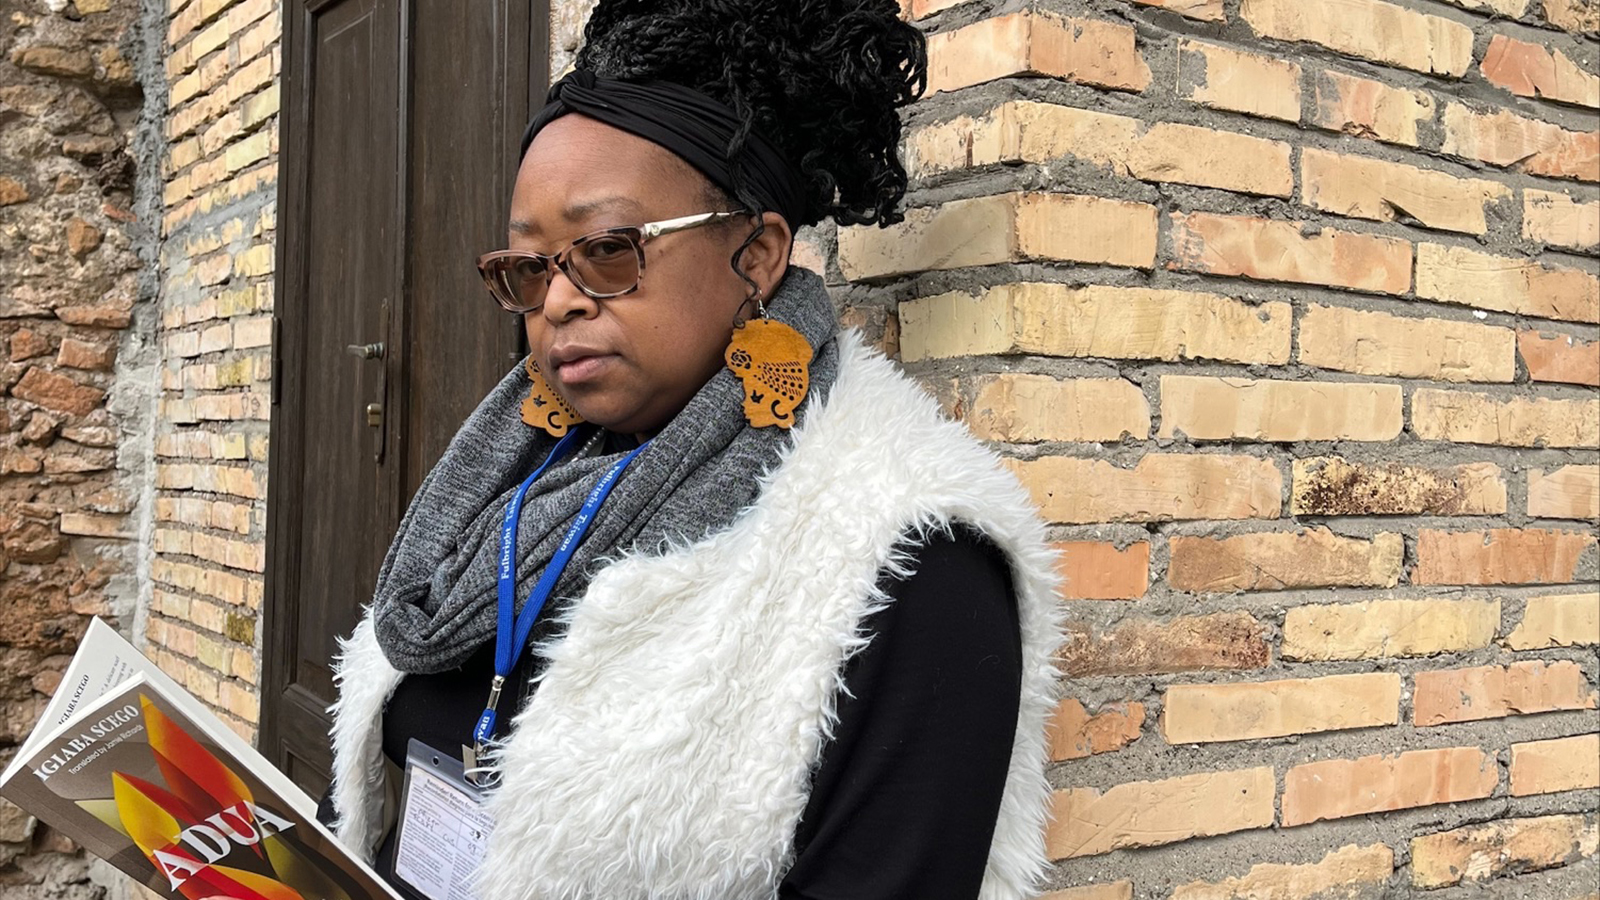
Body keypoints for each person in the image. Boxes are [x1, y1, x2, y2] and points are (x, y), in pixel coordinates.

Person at [317, 1, 1063, 897]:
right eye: (528, 268)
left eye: (605, 250)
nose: (557, 302)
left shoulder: (907, 559)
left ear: (756, 254)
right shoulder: (518, 470)